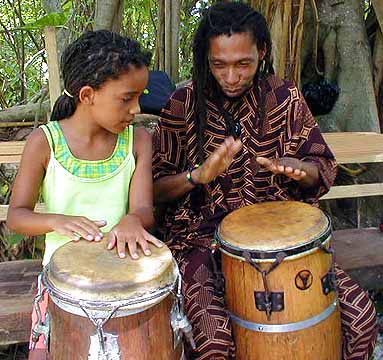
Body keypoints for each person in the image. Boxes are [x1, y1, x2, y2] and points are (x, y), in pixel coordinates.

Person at [152, 2, 377, 360]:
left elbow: (321, 167)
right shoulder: (182, 105)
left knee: (359, 320)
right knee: (214, 344)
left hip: (284, 242)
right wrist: (199, 176)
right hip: (200, 242)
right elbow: (154, 189)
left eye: (243, 63)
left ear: (263, 53)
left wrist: (301, 170)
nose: (231, 76)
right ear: (205, 59)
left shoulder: (284, 97)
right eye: (219, 65)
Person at [7, 30, 163, 359]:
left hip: (125, 280)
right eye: (126, 98)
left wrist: (133, 220)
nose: (136, 108)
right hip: (61, 281)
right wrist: (56, 221)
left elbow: (144, 209)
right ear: (88, 94)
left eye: (140, 96)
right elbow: (18, 216)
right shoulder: (45, 142)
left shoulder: (137, 142)